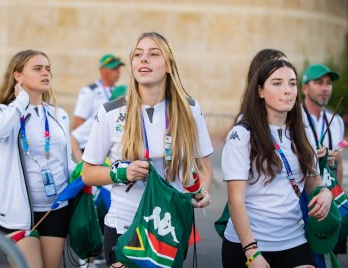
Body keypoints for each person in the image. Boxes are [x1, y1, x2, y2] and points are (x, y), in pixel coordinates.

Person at [81, 32, 214, 267]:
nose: (144, 60)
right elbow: (88, 173)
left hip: (168, 229)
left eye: (154, 54)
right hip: (124, 226)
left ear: (169, 66)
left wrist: (201, 190)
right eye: (138, 55)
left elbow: (203, 165)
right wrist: (121, 173)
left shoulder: (190, 109)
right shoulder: (110, 112)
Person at [221, 59, 334, 268]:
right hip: (248, 246)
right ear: (260, 91)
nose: (287, 90)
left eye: (292, 83)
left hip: (294, 240)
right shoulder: (242, 135)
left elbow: (312, 180)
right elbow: (235, 199)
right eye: (277, 83)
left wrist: (325, 192)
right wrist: (252, 252)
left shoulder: (304, 133)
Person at [0, 50, 76, 268]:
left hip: (56, 210)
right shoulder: (5, 112)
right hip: (18, 214)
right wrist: (22, 100)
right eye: (37, 69)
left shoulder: (58, 115)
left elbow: (64, 162)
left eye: (47, 68)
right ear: (18, 76)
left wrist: (87, 175)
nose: (45, 73)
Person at [301, 63, 346, 256]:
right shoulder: (294, 117)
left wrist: (337, 192)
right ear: (304, 88)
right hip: (302, 198)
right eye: (319, 82)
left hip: (327, 195)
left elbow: (339, 163)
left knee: (329, 251)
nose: (325, 88)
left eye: (328, 83)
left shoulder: (335, 120)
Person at [71, 54, 125, 162]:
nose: (117, 72)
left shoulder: (120, 91)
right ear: (102, 70)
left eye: (118, 68)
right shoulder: (89, 91)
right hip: (88, 146)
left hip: (109, 147)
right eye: (113, 68)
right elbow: (77, 123)